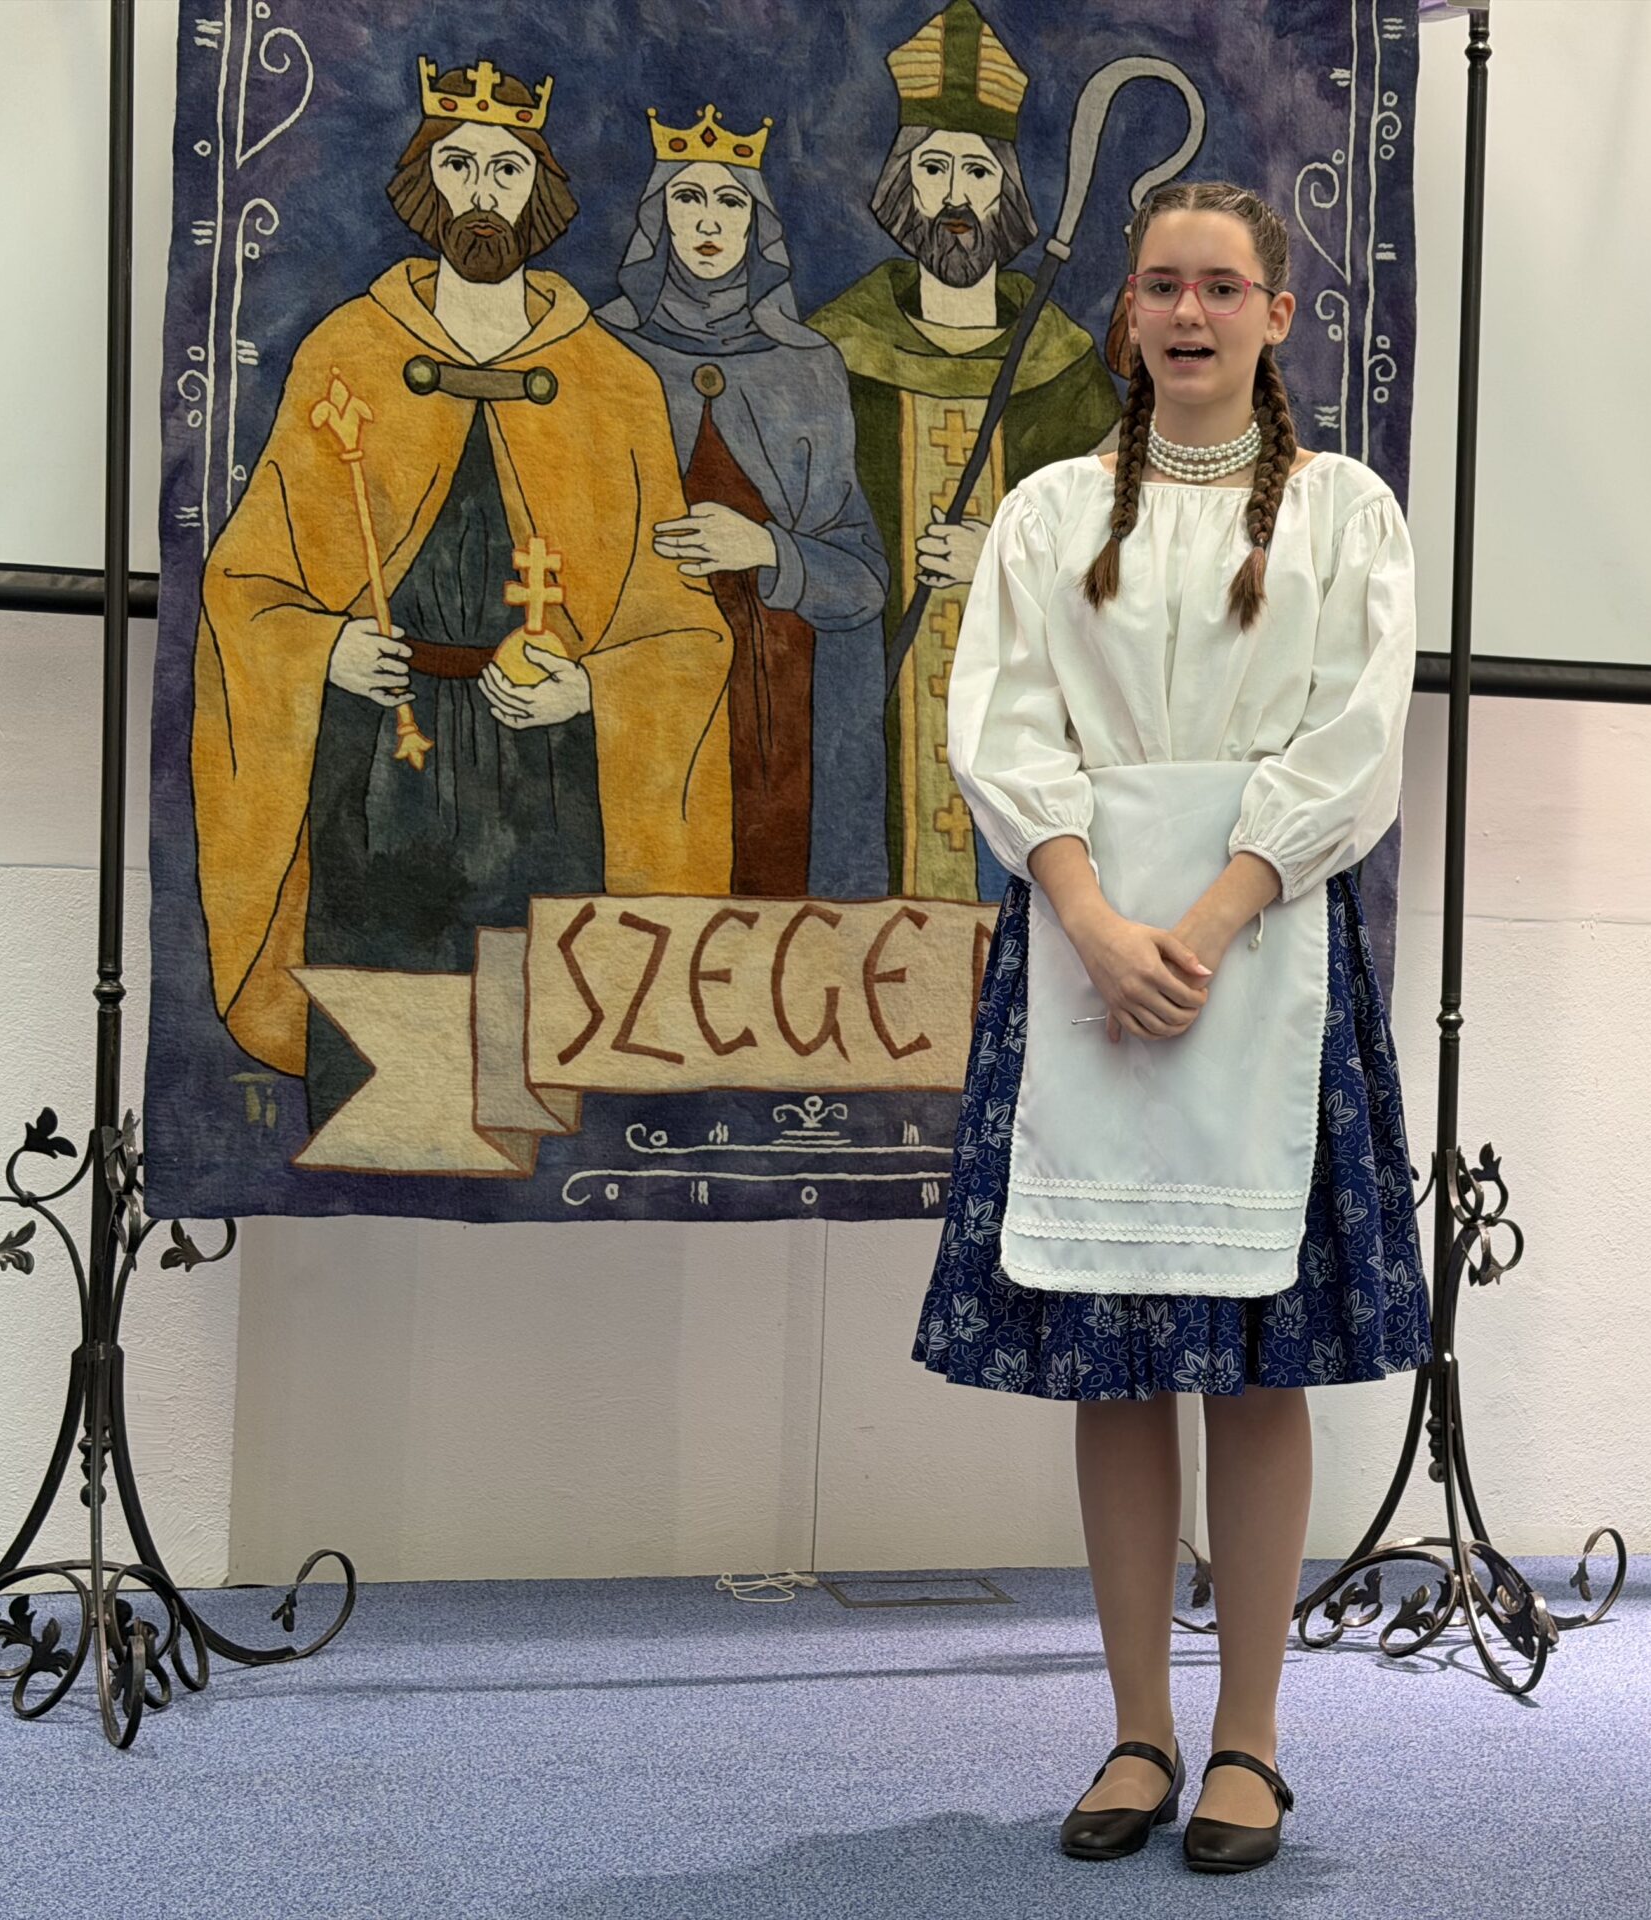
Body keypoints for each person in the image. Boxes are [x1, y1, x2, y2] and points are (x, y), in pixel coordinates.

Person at [912, 182, 1429, 1874]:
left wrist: (1205, 926)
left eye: (1221, 287)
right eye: (1161, 286)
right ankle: (1138, 1729)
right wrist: (1089, 918)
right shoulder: (1053, 511)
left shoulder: (1346, 514)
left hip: (1261, 962)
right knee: (1117, 1363)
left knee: (1259, 1370)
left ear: (1278, 315)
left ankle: (1250, 1741)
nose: (1188, 313)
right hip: (1085, 960)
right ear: (1128, 315)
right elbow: (1002, 724)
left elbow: (1354, 740)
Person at [191, 57, 730, 1132]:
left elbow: (679, 625)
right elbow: (245, 579)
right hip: (379, 758)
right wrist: (325, 648)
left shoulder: (613, 384)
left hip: (544, 768)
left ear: (541, 194)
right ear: (425, 183)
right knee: (379, 1087)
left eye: (507, 169)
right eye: (461, 165)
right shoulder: (349, 353)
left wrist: (592, 688)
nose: (484, 192)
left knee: (523, 1073)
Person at [805, 0, 1118, 905]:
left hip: (1029, 717)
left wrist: (1005, 558)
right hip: (868, 706)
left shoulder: (1060, 366)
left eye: (976, 171)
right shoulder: (836, 351)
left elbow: (1126, 543)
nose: (953, 197)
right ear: (902, 185)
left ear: (1004, 193)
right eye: (933, 167)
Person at [599, 109, 891, 899]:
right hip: (647, 677)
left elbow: (863, 578)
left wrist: (766, 549)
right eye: (687, 198)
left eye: (731, 203)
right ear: (657, 216)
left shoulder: (807, 365)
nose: (709, 222)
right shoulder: (605, 349)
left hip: (779, 700)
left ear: (757, 226)